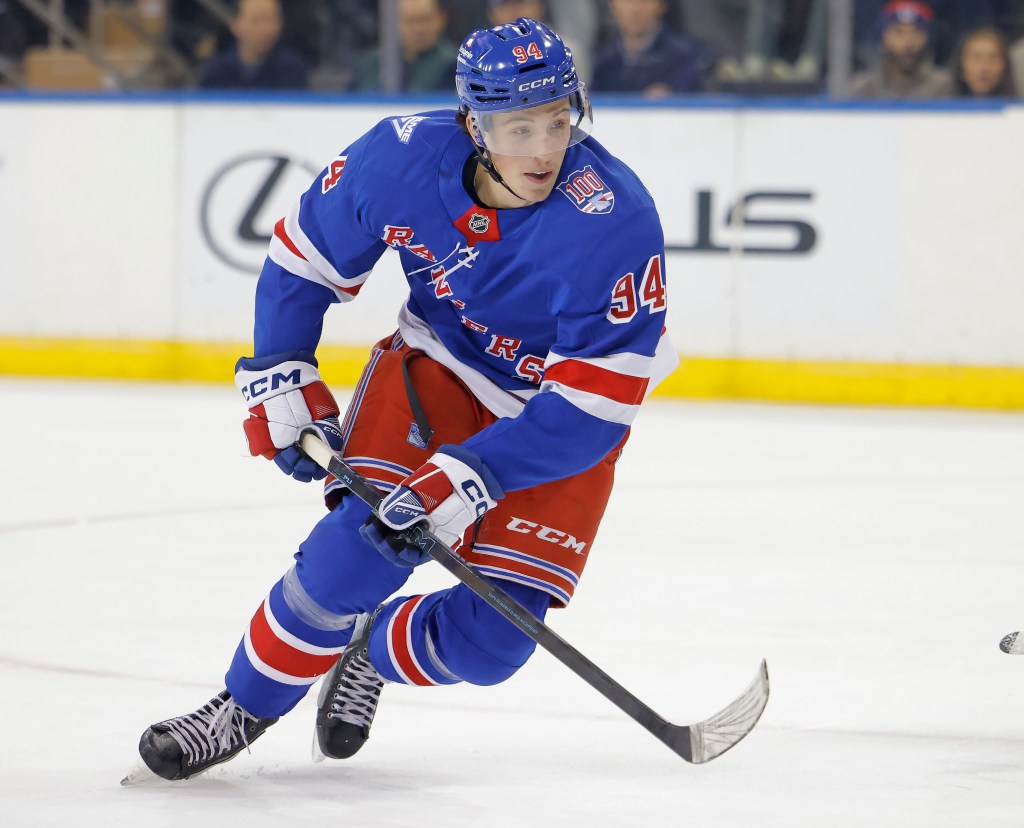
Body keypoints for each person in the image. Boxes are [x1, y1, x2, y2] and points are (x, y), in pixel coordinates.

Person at [132, 17, 676, 781]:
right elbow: (304, 259)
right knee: (361, 547)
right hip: (439, 370)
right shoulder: (400, 155)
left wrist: (475, 473)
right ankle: (241, 707)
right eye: (519, 127)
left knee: (491, 649)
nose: (544, 148)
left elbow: (591, 407)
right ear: (473, 124)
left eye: (558, 120)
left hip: (551, 420)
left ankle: (369, 651)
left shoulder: (614, 219)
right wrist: (280, 363)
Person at [591, 0, 717, 97]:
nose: (635, 10)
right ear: (612, 5)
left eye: (644, 1)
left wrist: (675, 92)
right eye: (627, 1)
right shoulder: (601, 61)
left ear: (661, 5)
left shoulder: (689, 58)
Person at [197, 0, 309, 91]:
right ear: (235, 25)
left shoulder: (292, 70)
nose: (265, 29)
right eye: (256, 21)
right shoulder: (215, 72)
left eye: (271, 20)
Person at [850, 1, 952, 99]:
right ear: (883, 38)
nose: (908, 43)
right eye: (898, 32)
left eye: (916, 32)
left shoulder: (944, 88)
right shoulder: (863, 89)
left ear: (927, 38)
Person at [353, 0, 456, 92]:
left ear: (441, 20)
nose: (418, 29)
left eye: (424, 20)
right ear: (393, 22)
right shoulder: (372, 63)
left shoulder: (455, 65)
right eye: (410, 21)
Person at [950, 26, 1017, 96]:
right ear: (960, 65)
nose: (984, 68)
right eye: (976, 58)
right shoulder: (942, 104)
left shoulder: (1018, 106)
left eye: (993, 59)